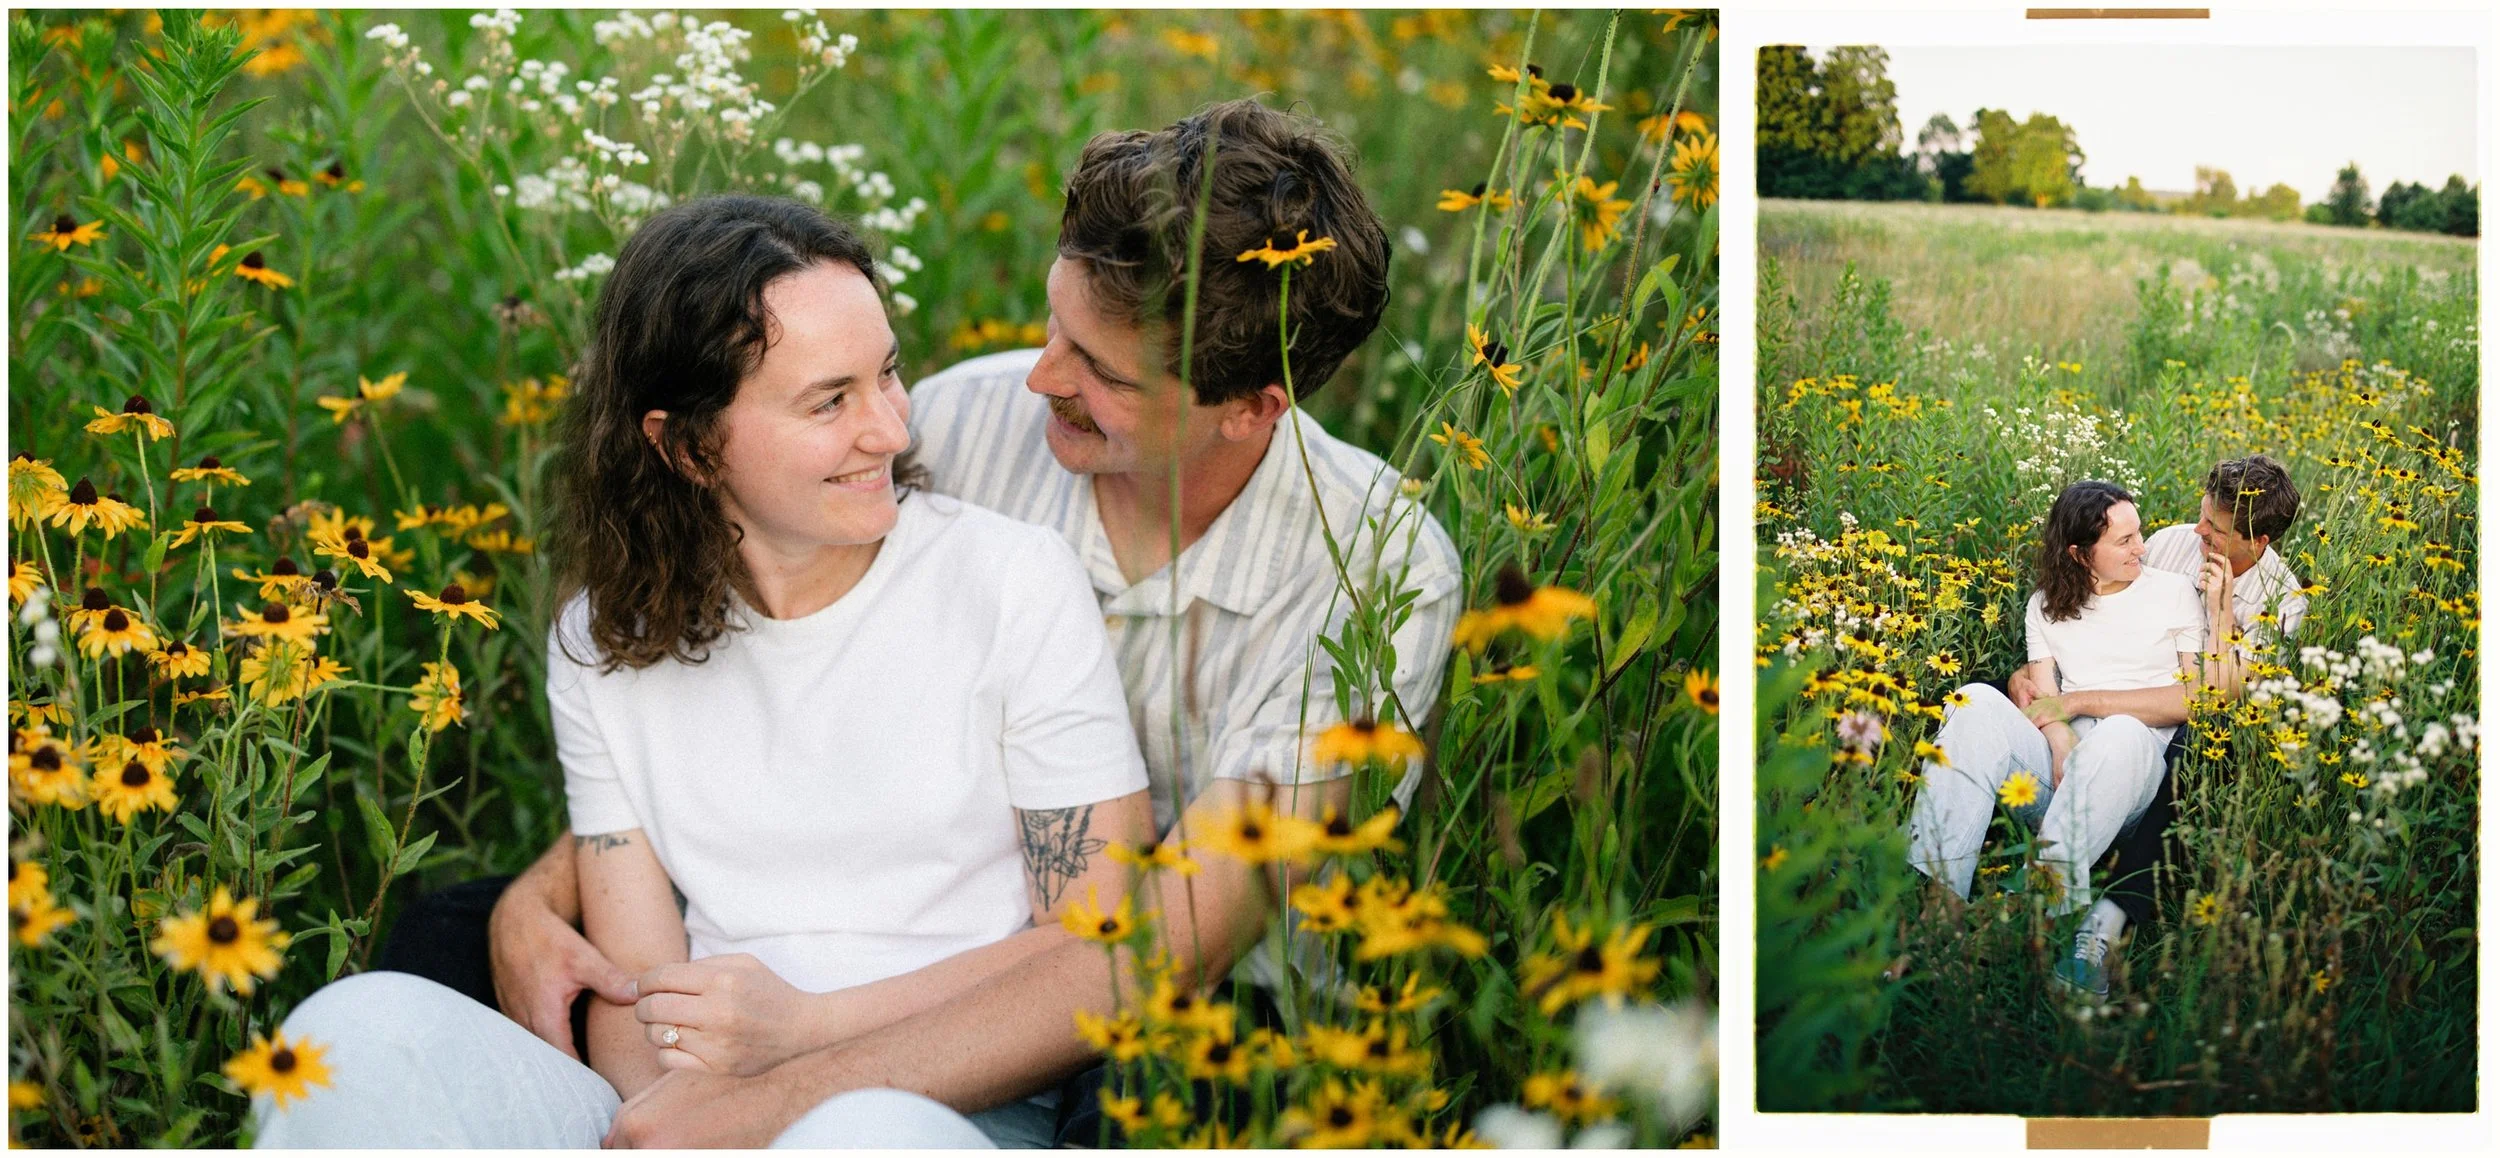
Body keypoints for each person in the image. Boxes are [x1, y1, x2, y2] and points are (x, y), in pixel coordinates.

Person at [436, 99, 1461, 1147]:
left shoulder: (1378, 572)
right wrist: (539, 892)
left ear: (1250, 407)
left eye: (1100, 372)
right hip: (874, 939)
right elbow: (753, 664)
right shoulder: (974, 418)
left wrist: (781, 1082)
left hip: (1187, 1009)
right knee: (442, 945)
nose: (1040, 378)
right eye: (1054, 325)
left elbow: (1168, 941)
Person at [252, 195, 1158, 1146]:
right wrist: (668, 1124)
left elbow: (1097, 947)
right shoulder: (604, 644)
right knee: (352, 1036)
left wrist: (802, 1042)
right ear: (686, 446)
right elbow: (636, 983)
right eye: (829, 400)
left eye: (887, 375)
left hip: (943, 1104)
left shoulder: (1010, 583)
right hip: (686, 1103)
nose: (891, 429)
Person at [2013, 455, 2306, 997]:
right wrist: (2032, 679)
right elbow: (2097, 613)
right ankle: (2055, 872)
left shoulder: (2282, 604)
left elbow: (2217, 697)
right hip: (2109, 719)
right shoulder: (2172, 542)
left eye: (2214, 530)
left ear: (2258, 542)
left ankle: (2110, 914)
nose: (2197, 532)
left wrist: (2219, 615)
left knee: (2202, 742)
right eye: (2201, 516)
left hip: (2187, 733)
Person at [1905, 481, 2235, 960]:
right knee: (1972, 698)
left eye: (2138, 534)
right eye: (2125, 542)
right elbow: (2044, 698)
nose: (2142, 548)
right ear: (2080, 554)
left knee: (2120, 730)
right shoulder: (2044, 605)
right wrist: (2060, 742)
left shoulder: (2173, 592)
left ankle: (2031, 908)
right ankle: (1941, 904)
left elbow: (2194, 698)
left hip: (2131, 784)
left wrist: (2082, 704)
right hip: (2058, 779)